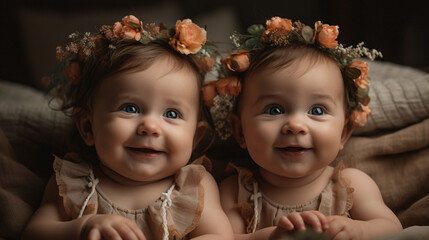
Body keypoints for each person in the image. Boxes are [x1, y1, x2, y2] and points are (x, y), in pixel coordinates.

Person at [22, 15, 233, 240]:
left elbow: (219, 235)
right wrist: (83, 227)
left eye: (171, 114)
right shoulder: (74, 182)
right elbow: (34, 232)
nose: (150, 127)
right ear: (87, 128)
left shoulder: (193, 187)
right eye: (130, 108)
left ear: (195, 138)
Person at [203, 17, 402, 239]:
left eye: (317, 111)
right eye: (275, 110)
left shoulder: (350, 184)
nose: (295, 126)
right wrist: (270, 237)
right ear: (240, 131)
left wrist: (360, 230)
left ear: (343, 133)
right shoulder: (236, 190)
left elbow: (392, 227)